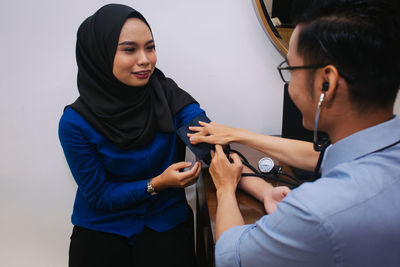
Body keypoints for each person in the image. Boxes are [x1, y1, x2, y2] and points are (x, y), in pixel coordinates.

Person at [188, 0, 400, 266]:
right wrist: (239, 134)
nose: (289, 86)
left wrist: (225, 188)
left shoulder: (317, 211)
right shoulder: (383, 147)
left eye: (291, 69)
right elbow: (322, 156)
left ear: (327, 83)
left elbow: (232, 255)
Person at [58, 4, 205, 267]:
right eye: (129, 49)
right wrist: (157, 183)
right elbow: (101, 195)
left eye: (150, 47)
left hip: (164, 220)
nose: (145, 59)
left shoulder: (167, 94)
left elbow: (205, 132)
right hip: (103, 226)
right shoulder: (74, 123)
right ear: (99, 55)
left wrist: (257, 185)